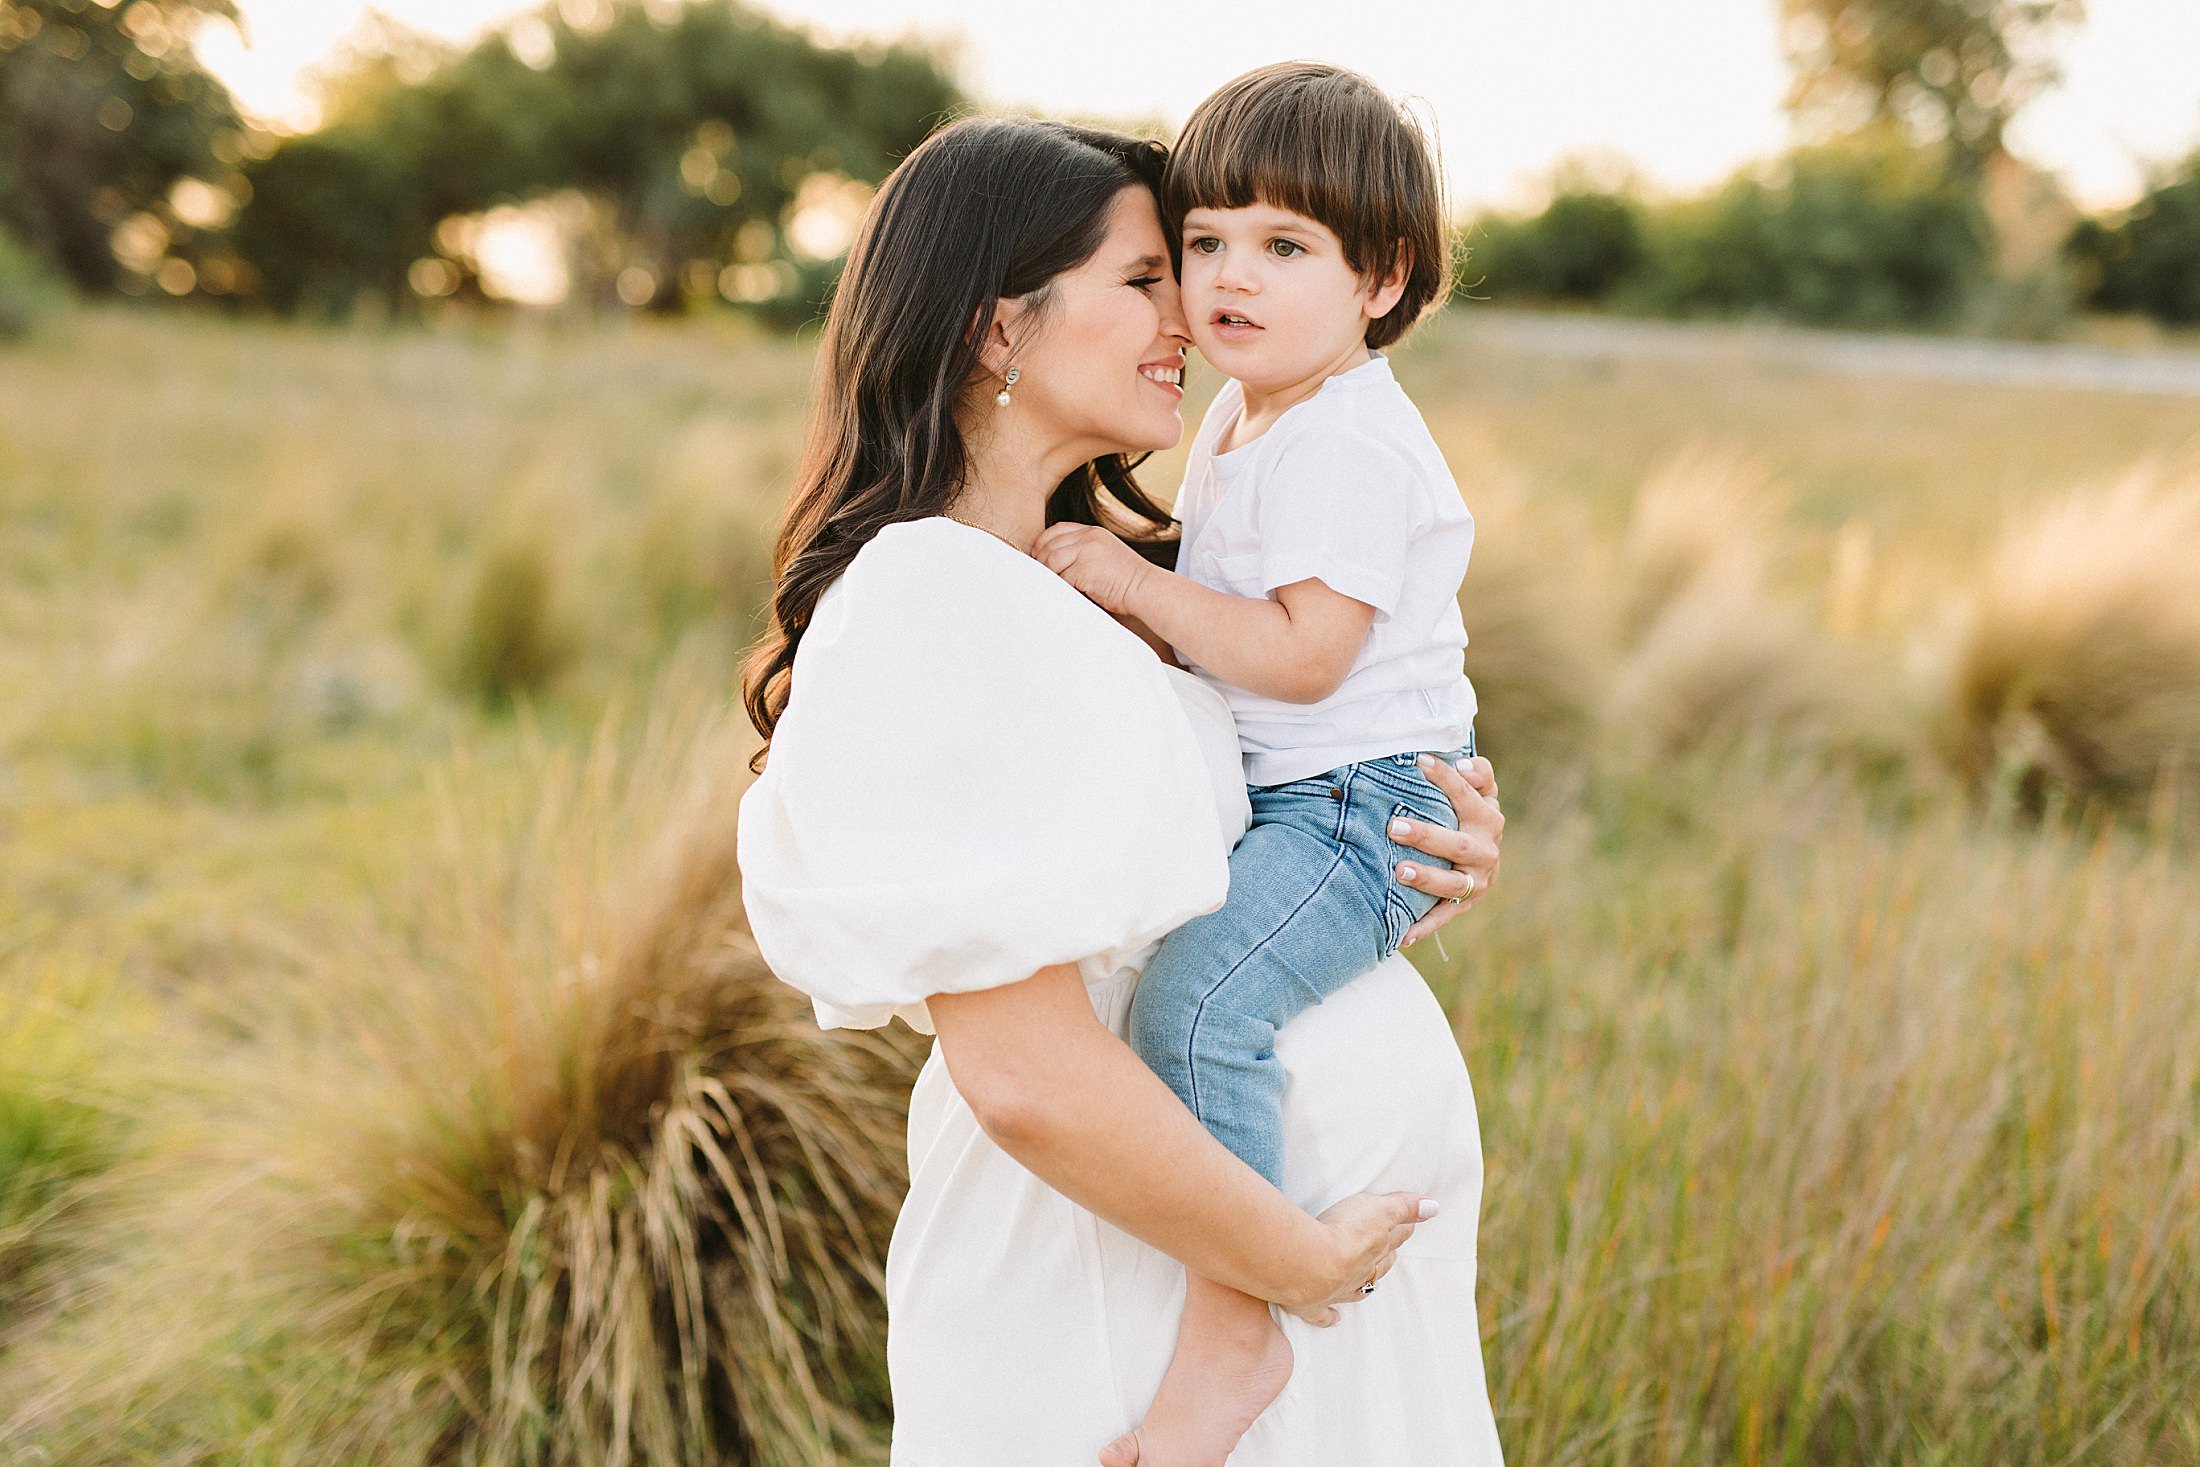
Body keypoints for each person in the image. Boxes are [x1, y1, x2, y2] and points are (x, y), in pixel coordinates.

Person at [736, 114, 1507, 1466]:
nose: (1193, 315)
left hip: (1281, 1300)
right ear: (999, 329)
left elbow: (1190, 875)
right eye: (1154, 273)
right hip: (1136, 1314)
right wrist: (1293, 1266)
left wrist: (1406, 860)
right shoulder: (929, 597)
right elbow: (1026, 1071)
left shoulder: (1111, 575)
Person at [1032, 63, 1475, 1466]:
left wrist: (1128, 580)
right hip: (1313, 800)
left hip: (1359, 811)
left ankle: (1238, 1324)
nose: (1232, 278)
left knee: (1195, 1014)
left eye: (1286, 247)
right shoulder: (1250, 413)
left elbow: (1299, 659)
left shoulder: (1345, 437)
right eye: (1206, 240)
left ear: (1383, 279)